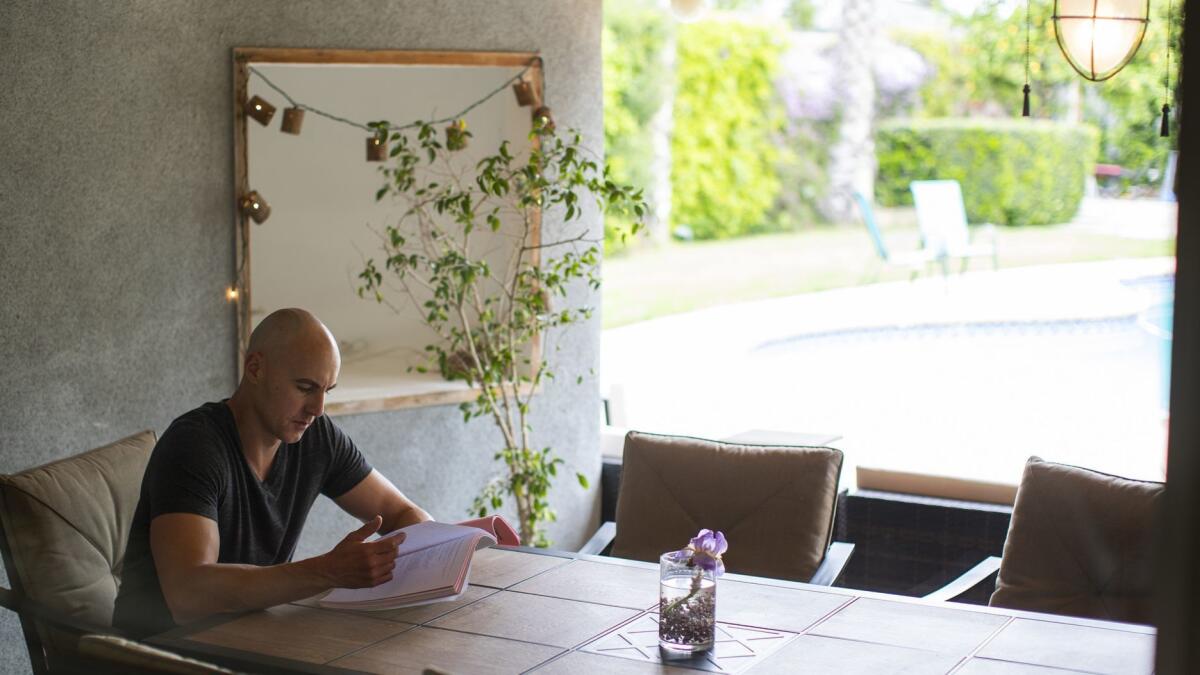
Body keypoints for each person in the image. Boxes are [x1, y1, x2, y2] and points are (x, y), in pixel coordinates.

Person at [113, 308, 431, 638]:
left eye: (328, 390)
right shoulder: (195, 445)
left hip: (251, 639)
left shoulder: (316, 436)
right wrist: (327, 571)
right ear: (255, 368)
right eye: (305, 387)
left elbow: (401, 512)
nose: (318, 409)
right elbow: (188, 595)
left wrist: (439, 552)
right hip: (161, 653)